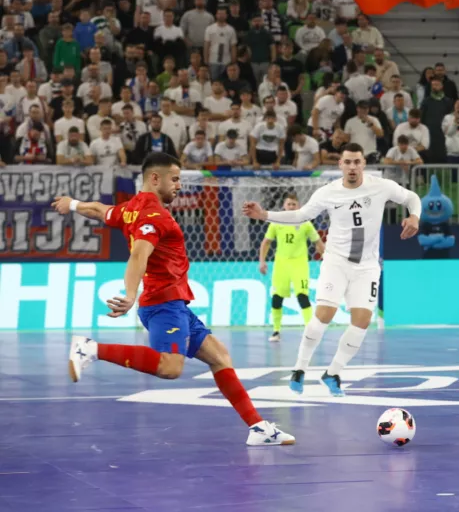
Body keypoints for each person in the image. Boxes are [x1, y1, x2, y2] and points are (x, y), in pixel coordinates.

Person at [56, 153, 295, 446]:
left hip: (174, 303)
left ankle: (258, 428)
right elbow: (138, 254)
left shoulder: (131, 209)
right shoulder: (153, 216)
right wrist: (130, 293)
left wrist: (74, 205)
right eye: (175, 179)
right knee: (170, 368)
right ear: (154, 179)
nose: (180, 185)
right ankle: (90, 349)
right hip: (162, 302)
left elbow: (100, 210)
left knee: (219, 357)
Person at [241, 143, 421, 396]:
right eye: (347, 162)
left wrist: (414, 216)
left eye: (357, 162)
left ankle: (334, 372)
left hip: (367, 266)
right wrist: (265, 215)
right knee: (324, 314)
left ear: (363, 164)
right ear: (340, 165)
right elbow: (301, 215)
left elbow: (412, 197)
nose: (352, 167)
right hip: (336, 261)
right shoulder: (328, 192)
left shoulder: (380, 186)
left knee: (362, 321)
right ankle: (299, 368)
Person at [259, 194, 326, 343]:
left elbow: (318, 243)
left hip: (299, 265)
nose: (291, 207)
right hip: (281, 265)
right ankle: (276, 331)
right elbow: (266, 242)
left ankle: (311, 331)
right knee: (277, 298)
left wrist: (328, 258)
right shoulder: (276, 222)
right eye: (288, 204)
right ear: (284, 206)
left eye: (293, 204)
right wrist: (262, 261)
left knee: (302, 296)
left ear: (299, 206)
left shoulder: (305, 223)